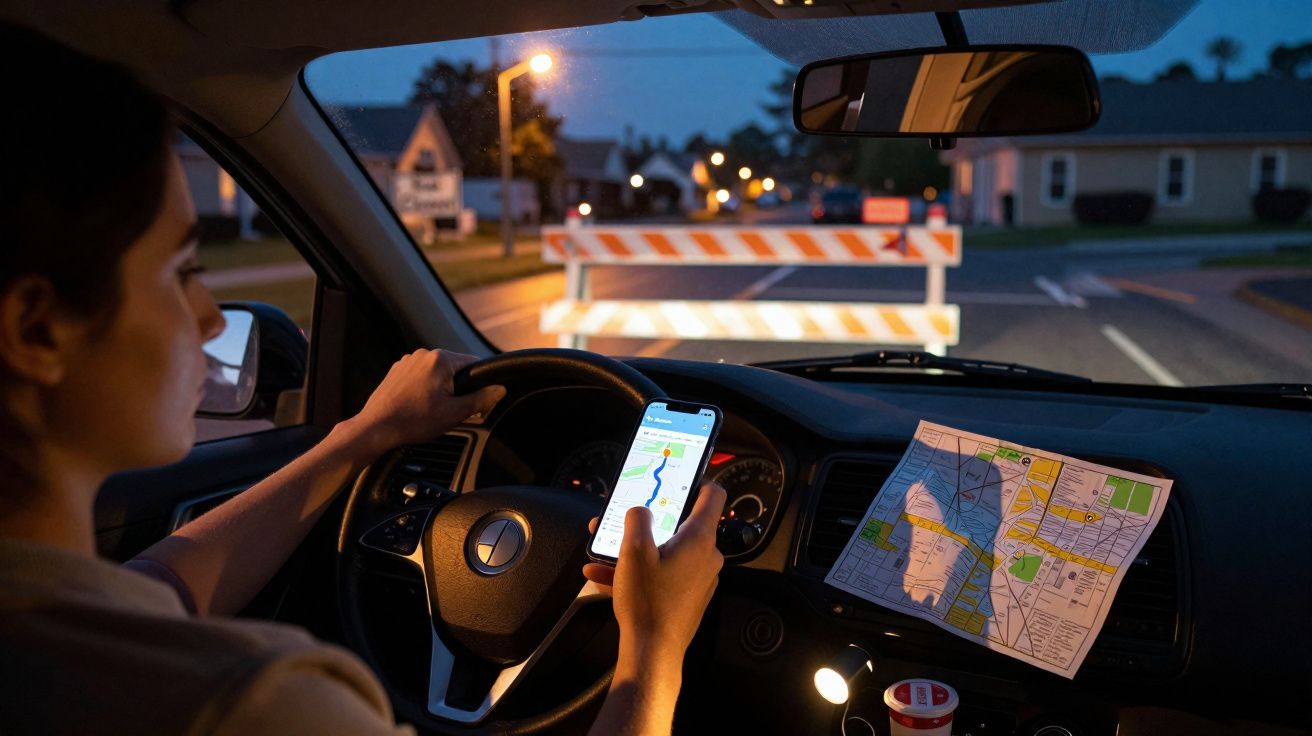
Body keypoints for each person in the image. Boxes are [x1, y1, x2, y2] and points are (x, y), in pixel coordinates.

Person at [0, 22, 725, 736]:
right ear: (38, 331)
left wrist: (366, 436)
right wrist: (654, 645)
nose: (211, 319)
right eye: (183, 271)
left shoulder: (49, 627)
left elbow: (157, 590)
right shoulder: (250, 704)